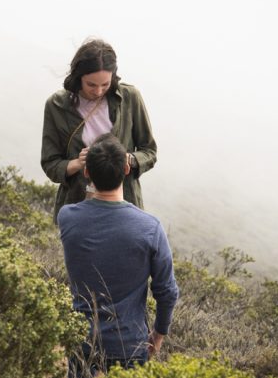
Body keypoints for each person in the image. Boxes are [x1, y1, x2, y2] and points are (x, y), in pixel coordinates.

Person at [58, 133, 178, 377]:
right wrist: (158, 334)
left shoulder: (67, 217)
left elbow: (91, 210)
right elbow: (167, 291)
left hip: (81, 339)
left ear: (87, 172)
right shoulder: (150, 227)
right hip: (129, 345)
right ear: (126, 168)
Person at [41, 38, 157, 222]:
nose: (98, 91)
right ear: (78, 77)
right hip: (78, 207)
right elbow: (50, 164)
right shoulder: (56, 105)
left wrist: (127, 159)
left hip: (123, 205)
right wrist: (77, 163)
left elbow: (149, 152)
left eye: (105, 84)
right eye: (91, 85)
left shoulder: (130, 98)